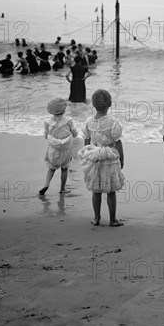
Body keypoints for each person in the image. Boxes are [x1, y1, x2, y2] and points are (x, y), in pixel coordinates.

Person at [79, 89, 125, 227]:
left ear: (93, 105)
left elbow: (86, 141)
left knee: (96, 190)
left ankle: (97, 218)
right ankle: (112, 219)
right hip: (109, 159)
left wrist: (87, 156)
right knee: (111, 191)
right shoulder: (113, 122)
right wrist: (122, 159)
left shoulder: (88, 122)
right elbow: (118, 142)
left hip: (95, 159)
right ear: (109, 104)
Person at [39, 97, 79, 196]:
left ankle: (46, 184)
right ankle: (62, 188)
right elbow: (75, 134)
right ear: (64, 110)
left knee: (51, 168)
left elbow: (45, 135)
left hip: (53, 150)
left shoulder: (47, 122)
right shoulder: (69, 121)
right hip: (66, 150)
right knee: (64, 169)